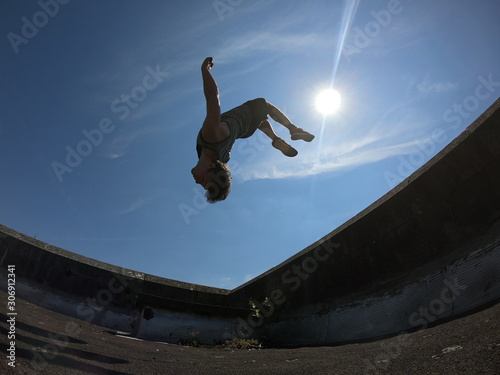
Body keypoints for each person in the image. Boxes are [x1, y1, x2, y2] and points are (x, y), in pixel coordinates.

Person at [191, 57, 315, 203]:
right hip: (244, 118)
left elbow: (223, 173)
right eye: (204, 181)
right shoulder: (211, 135)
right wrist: (204, 70)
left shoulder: (222, 159)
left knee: (261, 121)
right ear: (212, 165)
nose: (197, 182)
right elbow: (212, 98)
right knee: (265, 106)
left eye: (203, 183)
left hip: (244, 132)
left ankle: (275, 139)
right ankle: (293, 129)